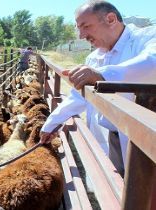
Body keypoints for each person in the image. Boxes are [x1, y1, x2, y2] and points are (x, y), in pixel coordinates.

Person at [40, 0, 156, 177]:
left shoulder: (146, 37)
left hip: (145, 141)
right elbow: (79, 96)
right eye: (78, 28)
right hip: (111, 136)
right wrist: (53, 122)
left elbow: (152, 62)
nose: (81, 35)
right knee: (118, 185)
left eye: (85, 26)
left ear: (110, 19)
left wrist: (103, 75)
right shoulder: (94, 57)